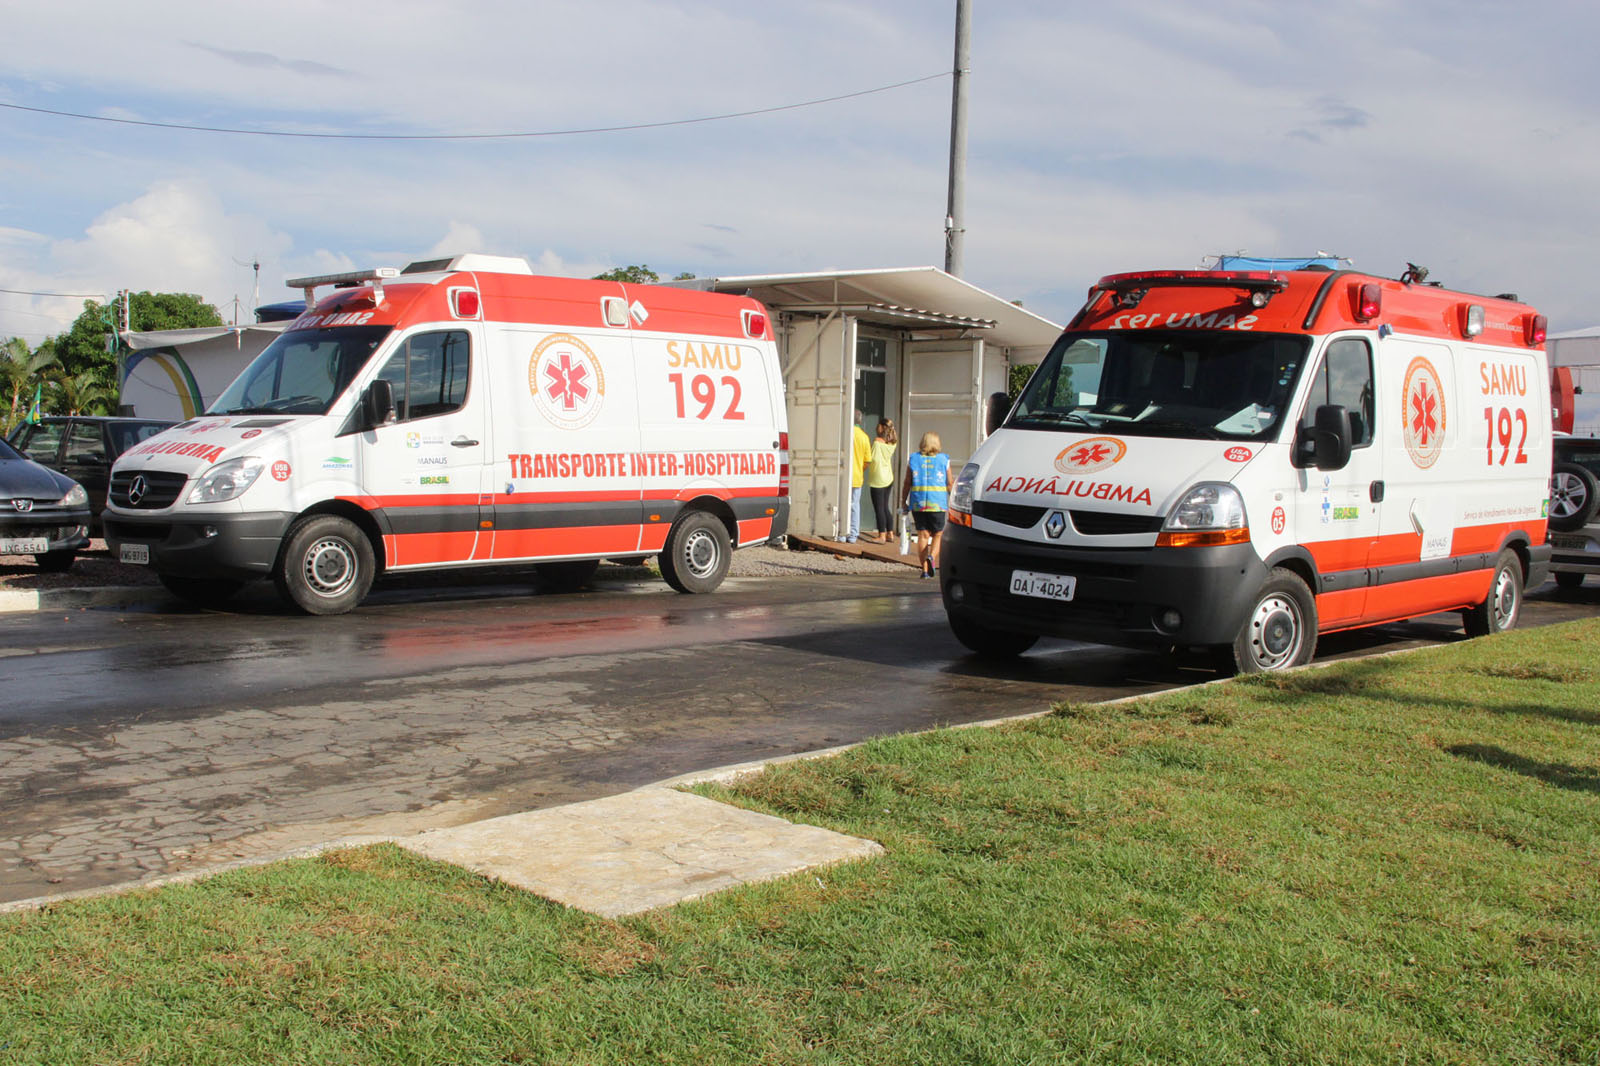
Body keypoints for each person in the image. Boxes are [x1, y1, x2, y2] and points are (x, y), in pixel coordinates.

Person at [901, 430, 954, 578]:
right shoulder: (944, 460)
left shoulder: (913, 459)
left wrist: (903, 501)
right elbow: (949, 483)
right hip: (937, 504)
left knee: (923, 535)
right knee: (938, 533)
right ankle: (932, 558)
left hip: (918, 503)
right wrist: (956, 500)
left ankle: (924, 570)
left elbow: (907, 483)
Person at [866, 418, 898, 543]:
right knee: (885, 507)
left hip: (878, 478)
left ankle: (882, 535)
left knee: (878, 508)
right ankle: (890, 533)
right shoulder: (892, 443)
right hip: (888, 477)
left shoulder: (877, 443)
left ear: (882, 427)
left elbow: (871, 458)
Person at [845, 409, 870, 542]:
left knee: (843, 504)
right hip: (857, 476)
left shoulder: (845, 433)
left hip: (843, 476)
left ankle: (842, 534)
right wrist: (860, 469)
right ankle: (853, 535)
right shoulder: (864, 437)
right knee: (855, 505)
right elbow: (867, 461)